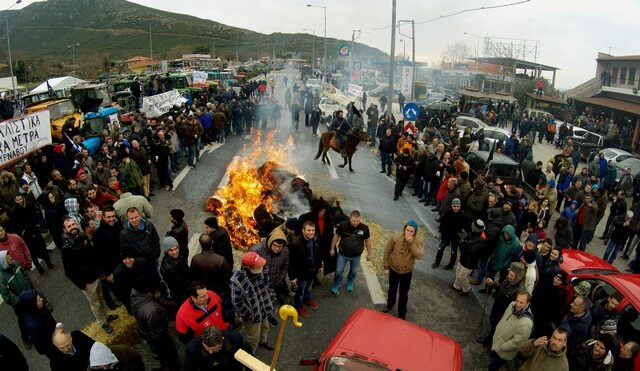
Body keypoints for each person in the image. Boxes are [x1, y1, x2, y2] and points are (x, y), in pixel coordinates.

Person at [60, 216, 115, 334]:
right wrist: (82, 285)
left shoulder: (82, 236)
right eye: (69, 226)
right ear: (64, 230)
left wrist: (100, 271)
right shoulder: (66, 248)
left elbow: (93, 255)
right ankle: (103, 323)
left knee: (101, 298)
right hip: (87, 282)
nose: (72, 227)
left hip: (96, 275)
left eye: (73, 224)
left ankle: (106, 316)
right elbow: (69, 272)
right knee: (95, 304)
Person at [130, 279, 180, 371]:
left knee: (161, 354)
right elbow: (159, 334)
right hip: (157, 337)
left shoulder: (134, 294)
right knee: (169, 354)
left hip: (146, 332)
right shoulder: (152, 310)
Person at [230, 252, 275, 353]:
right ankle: (250, 354)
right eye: (258, 266)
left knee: (265, 327)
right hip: (253, 315)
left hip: (264, 309)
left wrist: (272, 298)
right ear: (248, 267)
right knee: (253, 338)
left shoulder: (263, 268)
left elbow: (269, 285)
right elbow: (237, 302)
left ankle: (263, 341)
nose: (262, 267)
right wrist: (249, 315)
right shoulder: (236, 280)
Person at [382, 220, 424, 319]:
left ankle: (402, 312)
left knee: (403, 294)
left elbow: (419, 255)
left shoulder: (418, 241)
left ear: (415, 232)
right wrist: (386, 267)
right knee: (392, 289)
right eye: (407, 230)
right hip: (393, 269)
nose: (408, 233)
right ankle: (390, 304)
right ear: (404, 229)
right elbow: (387, 251)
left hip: (406, 272)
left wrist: (411, 244)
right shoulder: (396, 237)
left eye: (411, 231)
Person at [476, 262, 526, 345]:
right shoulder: (509, 279)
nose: (509, 276)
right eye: (509, 274)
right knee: (494, 324)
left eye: (512, 275)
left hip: (504, 313)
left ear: (518, 277)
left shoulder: (520, 290)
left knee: (496, 327)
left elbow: (516, 306)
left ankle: (489, 341)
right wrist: (493, 283)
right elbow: (501, 286)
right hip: (498, 306)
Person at [489, 291, 534, 371]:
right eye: (517, 300)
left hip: (504, 351)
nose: (518, 304)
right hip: (498, 342)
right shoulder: (512, 305)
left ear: (528, 304)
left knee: (492, 367)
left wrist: (502, 347)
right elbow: (504, 318)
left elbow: (517, 342)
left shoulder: (526, 323)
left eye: (521, 302)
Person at [330, 210, 372, 294]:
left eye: (358, 221)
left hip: (356, 256)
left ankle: (349, 282)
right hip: (342, 254)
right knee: (338, 271)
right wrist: (332, 248)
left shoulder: (364, 228)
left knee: (353, 272)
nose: (356, 223)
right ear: (350, 219)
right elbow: (336, 236)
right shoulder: (343, 225)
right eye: (354, 221)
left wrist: (369, 253)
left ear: (360, 219)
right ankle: (336, 283)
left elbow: (367, 241)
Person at [288, 221, 322, 318]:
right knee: (300, 292)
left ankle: (307, 299)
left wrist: (319, 265)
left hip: (312, 271)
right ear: (303, 230)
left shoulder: (316, 238)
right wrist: (292, 277)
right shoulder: (295, 243)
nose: (311, 232)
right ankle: (299, 307)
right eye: (308, 230)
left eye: (313, 230)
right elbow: (291, 262)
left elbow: (317, 253)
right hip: (301, 274)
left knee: (308, 288)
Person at [251, 228, 290, 305]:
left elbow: (285, 266)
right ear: (270, 242)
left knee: (274, 296)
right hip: (260, 282)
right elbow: (248, 268)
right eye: (275, 245)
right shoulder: (256, 250)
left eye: (280, 246)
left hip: (276, 281)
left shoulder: (285, 250)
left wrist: (279, 280)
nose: (277, 248)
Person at [183, 325, 250, 371]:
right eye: (207, 348)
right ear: (202, 339)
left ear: (222, 339)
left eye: (215, 349)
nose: (210, 352)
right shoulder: (192, 349)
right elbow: (189, 369)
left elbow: (248, 357)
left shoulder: (235, 338)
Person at [452, 219, 485, 296]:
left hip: (469, 262)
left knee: (462, 277)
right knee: (458, 271)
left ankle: (467, 288)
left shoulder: (480, 241)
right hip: (464, 258)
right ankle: (457, 286)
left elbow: (471, 251)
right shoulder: (471, 234)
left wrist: (463, 243)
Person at [433, 198, 467, 270]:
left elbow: (462, 226)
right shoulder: (448, 213)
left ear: (460, 207)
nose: (456, 208)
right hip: (446, 235)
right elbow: (443, 223)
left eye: (457, 206)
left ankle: (451, 265)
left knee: (453, 251)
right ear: (451, 206)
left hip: (455, 236)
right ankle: (437, 261)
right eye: (454, 206)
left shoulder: (462, 215)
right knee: (440, 248)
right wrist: (441, 232)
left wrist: (461, 234)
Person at [160, 236, 190, 306]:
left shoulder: (178, 257)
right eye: (171, 250)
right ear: (167, 251)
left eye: (176, 248)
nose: (175, 252)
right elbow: (179, 284)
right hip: (181, 294)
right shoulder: (168, 267)